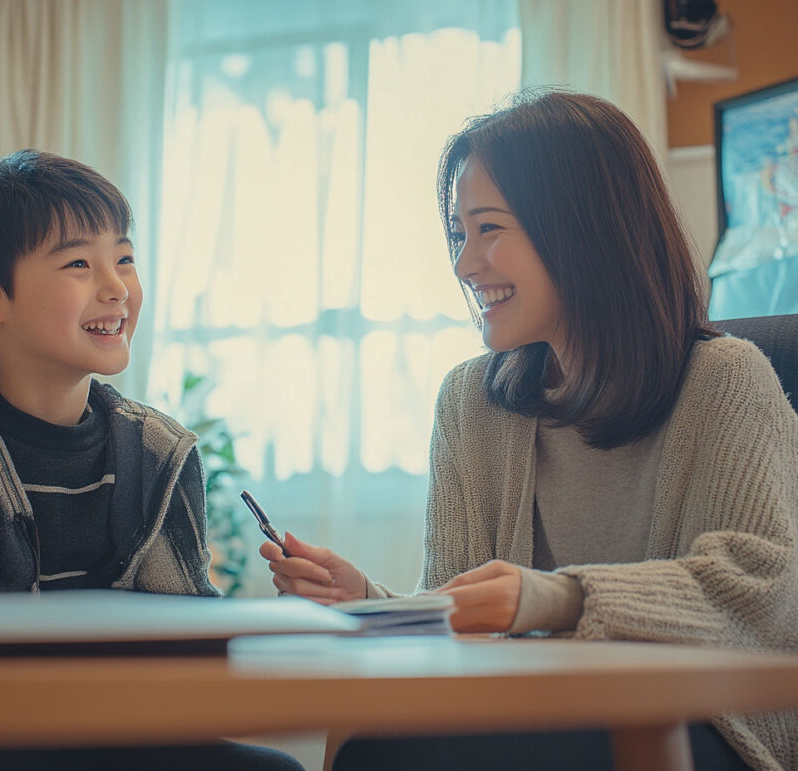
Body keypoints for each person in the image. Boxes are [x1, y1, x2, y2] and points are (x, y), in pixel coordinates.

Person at [261, 92, 798, 770]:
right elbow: (467, 623)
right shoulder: (469, 401)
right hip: (534, 711)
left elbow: (759, 596)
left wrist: (557, 595)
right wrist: (367, 600)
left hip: (701, 727)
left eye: (488, 229)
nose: (463, 264)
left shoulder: (726, 380)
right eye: (460, 234)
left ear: (580, 227)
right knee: (377, 744)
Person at [0, 149, 303, 771]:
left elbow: (192, 654)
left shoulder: (159, 454)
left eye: (125, 258)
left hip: (112, 738)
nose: (116, 287)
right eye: (80, 263)